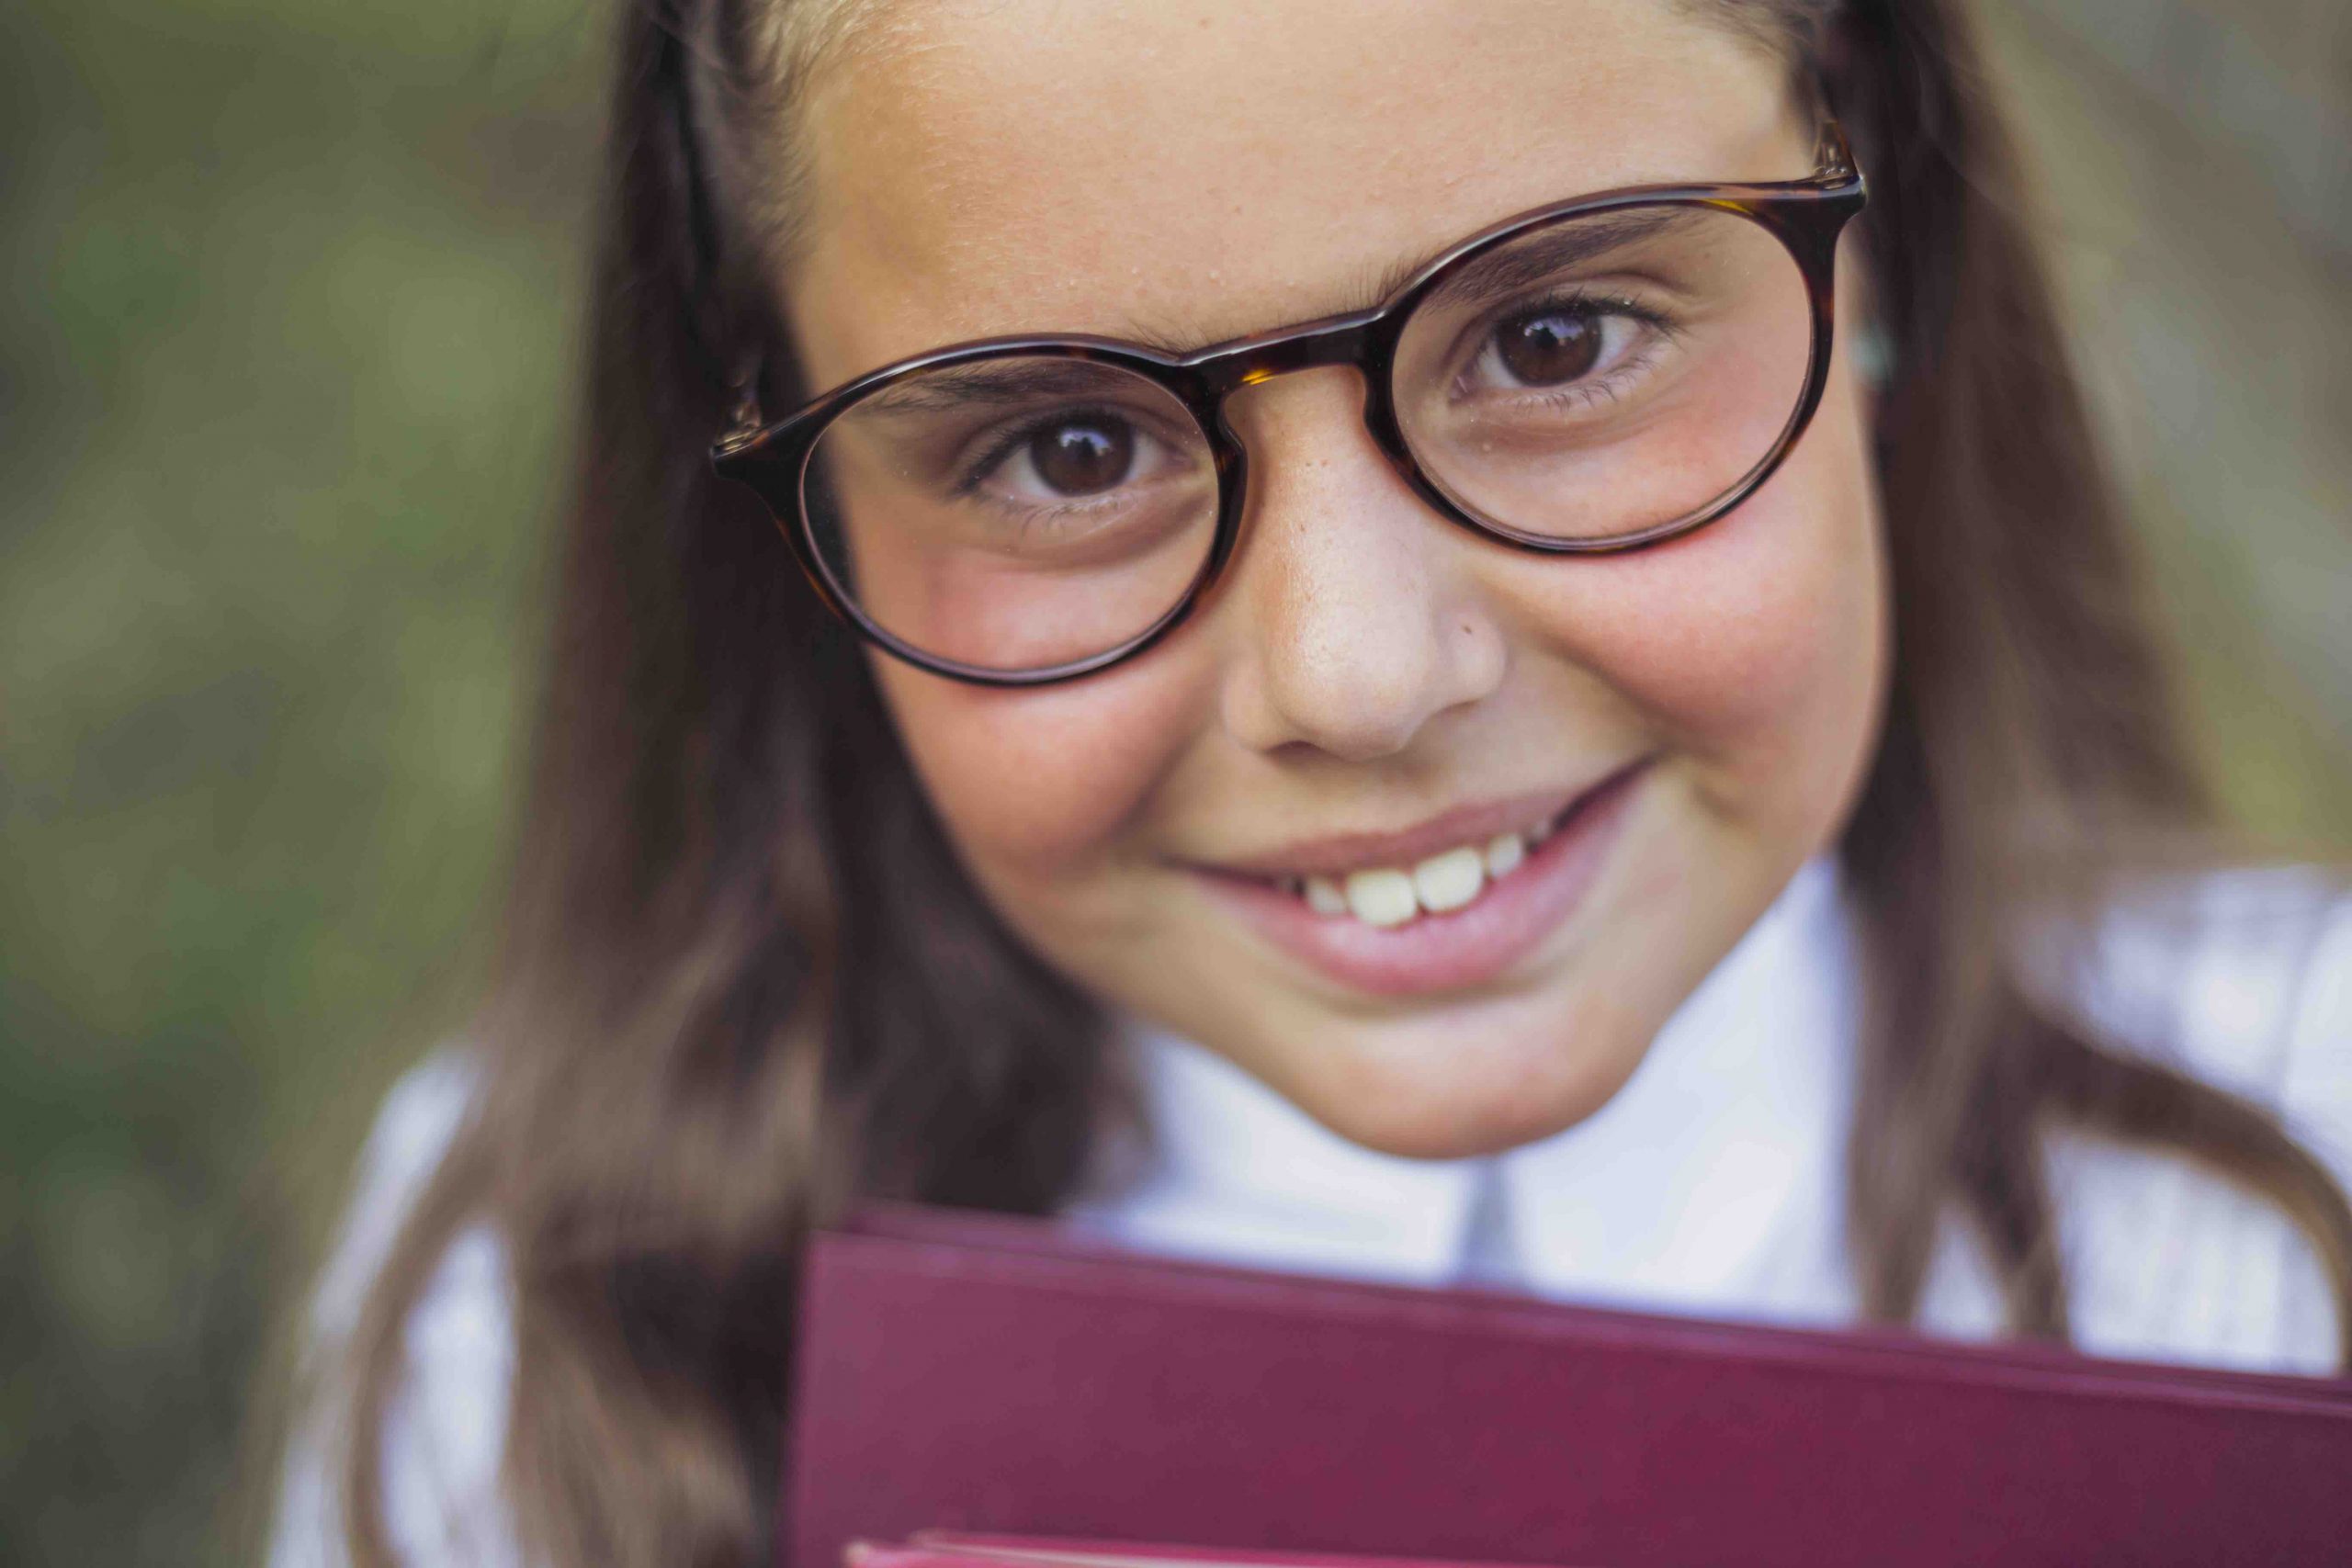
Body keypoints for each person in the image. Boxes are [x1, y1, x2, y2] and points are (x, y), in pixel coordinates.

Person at [269, 1, 2352, 1564]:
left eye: (1555, 341)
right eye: (1069, 451)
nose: (1357, 678)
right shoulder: (536, 1320)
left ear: (1880, 238)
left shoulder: (2308, 1163)